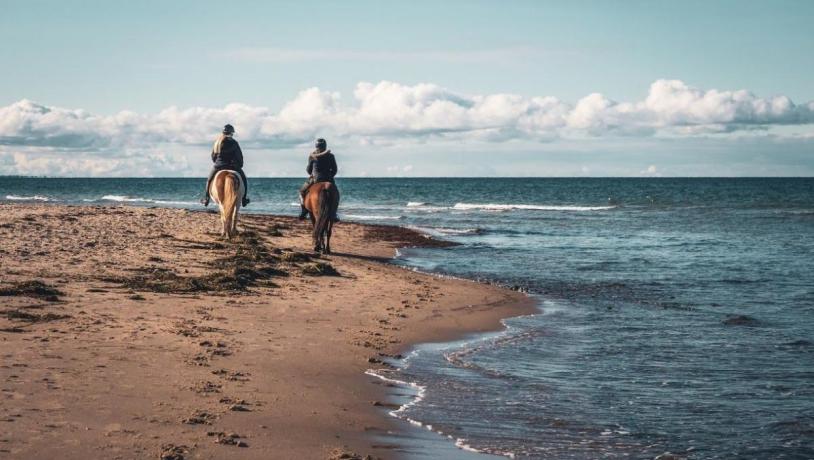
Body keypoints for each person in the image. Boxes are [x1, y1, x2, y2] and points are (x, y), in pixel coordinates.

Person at [201, 124, 250, 207]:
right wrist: (239, 165)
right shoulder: (234, 143)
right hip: (232, 166)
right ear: (231, 133)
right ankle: (244, 199)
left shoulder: (217, 142)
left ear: (223, 132)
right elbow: (239, 156)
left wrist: (217, 163)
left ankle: (206, 199)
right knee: (244, 179)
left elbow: (213, 156)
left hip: (219, 166)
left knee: (209, 180)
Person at [298, 138, 339, 221]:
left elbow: (309, 170)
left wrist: (312, 174)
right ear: (325, 146)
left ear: (316, 146)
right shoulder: (331, 156)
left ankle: (304, 211)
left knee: (301, 192)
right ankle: (334, 213)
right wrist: (330, 176)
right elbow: (334, 170)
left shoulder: (312, 156)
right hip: (329, 179)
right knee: (336, 194)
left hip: (315, 179)